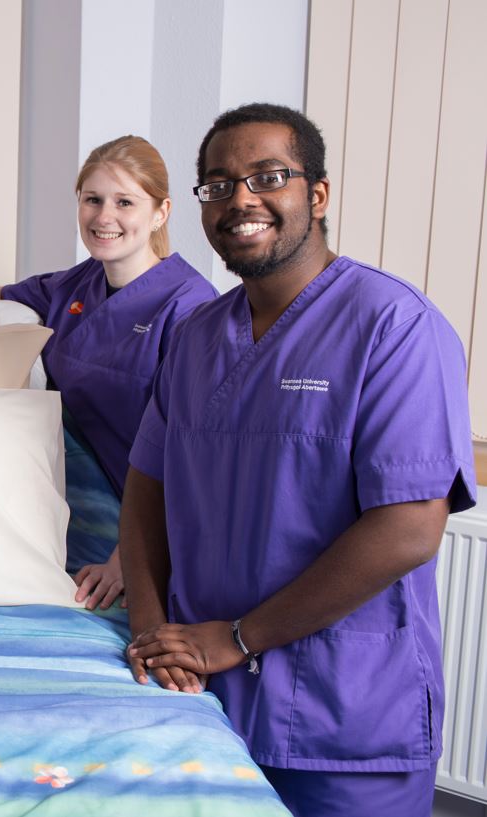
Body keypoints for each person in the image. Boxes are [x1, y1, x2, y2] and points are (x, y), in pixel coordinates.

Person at [122, 103, 476, 816]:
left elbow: (408, 525)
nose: (239, 200)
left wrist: (238, 637)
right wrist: (151, 634)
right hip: (201, 703)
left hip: (343, 719)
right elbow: (144, 493)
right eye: (217, 184)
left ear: (315, 195)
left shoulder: (393, 326)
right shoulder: (194, 338)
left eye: (266, 177)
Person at [0, 135, 216, 610]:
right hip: (60, 491)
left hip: (144, 512)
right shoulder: (78, 282)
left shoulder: (190, 307)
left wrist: (127, 556)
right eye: (92, 200)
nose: (103, 217)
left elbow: (194, 452)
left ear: (161, 211)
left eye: (124, 202)